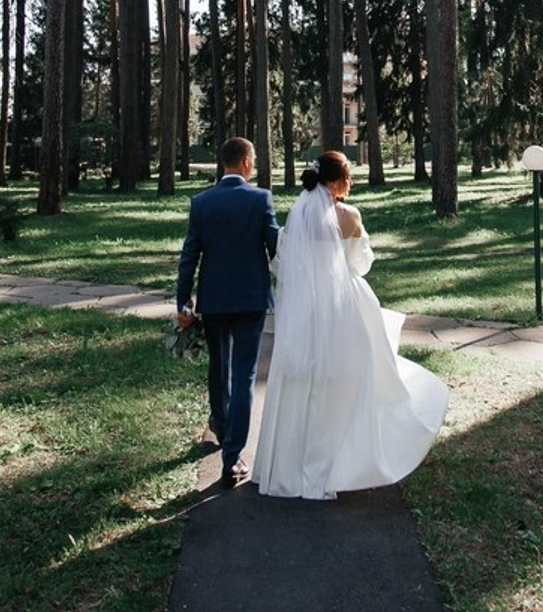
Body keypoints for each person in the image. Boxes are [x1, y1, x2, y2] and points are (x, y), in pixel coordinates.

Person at [253, 150, 448, 500]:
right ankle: (343, 459)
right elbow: (361, 264)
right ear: (337, 180)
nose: (352, 182)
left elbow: (283, 263)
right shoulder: (349, 215)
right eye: (349, 175)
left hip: (306, 308)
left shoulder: (298, 214)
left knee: (303, 381)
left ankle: (287, 466)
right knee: (353, 379)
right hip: (343, 306)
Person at [176, 136, 280, 487]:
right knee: (244, 375)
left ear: (224, 163)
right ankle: (232, 456)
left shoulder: (201, 202)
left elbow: (190, 253)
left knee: (218, 370)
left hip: (214, 300)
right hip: (251, 299)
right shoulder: (261, 199)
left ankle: (221, 426)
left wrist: (182, 301)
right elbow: (275, 246)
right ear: (246, 162)